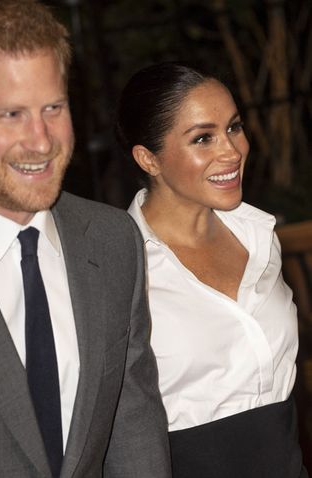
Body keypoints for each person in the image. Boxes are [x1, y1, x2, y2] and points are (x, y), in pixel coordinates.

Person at [0, 2, 171, 477]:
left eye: (53, 108)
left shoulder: (115, 242)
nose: (41, 140)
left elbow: (132, 427)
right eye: (11, 114)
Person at [115, 62, 308, 477]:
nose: (232, 151)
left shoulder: (259, 236)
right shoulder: (120, 267)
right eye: (203, 137)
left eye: (234, 127)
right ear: (149, 158)